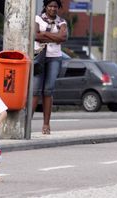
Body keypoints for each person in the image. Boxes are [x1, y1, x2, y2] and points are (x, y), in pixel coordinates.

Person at [32, 0, 67, 135]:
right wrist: (54, 37)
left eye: (55, 6)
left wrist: (44, 34)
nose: (53, 9)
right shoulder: (37, 18)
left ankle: (46, 125)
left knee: (48, 90)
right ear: (45, 7)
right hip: (39, 56)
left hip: (54, 58)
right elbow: (35, 35)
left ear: (58, 8)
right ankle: (27, 123)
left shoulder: (62, 22)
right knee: (35, 90)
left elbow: (63, 37)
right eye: (50, 6)